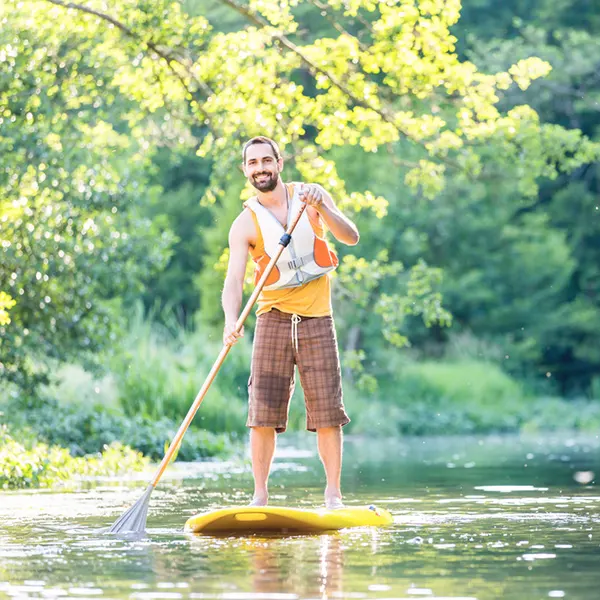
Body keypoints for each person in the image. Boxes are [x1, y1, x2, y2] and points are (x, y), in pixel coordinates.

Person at [221, 136, 360, 509]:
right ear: (245, 170)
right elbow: (233, 280)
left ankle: (333, 494)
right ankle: (260, 496)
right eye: (253, 163)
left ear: (280, 163)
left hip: (317, 317)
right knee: (261, 413)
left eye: (267, 161)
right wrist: (230, 320)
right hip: (272, 318)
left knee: (327, 412)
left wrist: (324, 208)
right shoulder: (243, 224)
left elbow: (351, 236)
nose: (261, 168)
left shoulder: (311, 197)